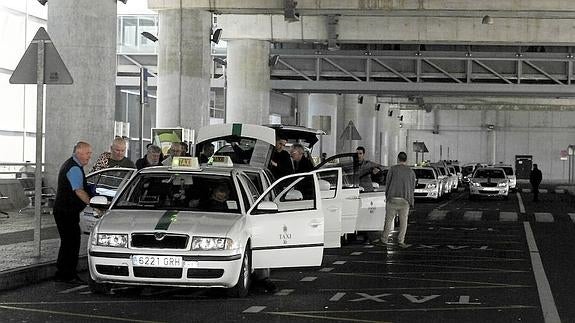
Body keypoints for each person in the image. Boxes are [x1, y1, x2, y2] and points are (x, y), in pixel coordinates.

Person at [53, 141, 93, 283]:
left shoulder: (71, 164)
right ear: (79, 152)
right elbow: (79, 191)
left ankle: (62, 273)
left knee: (68, 241)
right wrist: (92, 204)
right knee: (72, 242)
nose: (90, 156)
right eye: (88, 153)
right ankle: (68, 274)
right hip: (66, 211)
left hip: (63, 210)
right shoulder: (74, 168)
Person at [375, 151, 416, 248]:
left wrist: (387, 197)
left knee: (388, 220)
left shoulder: (392, 169)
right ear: (406, 160)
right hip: (405, 200)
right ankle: (401, 241)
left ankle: (384, 239)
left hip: (392, 199)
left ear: (398, 159)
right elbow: (412, 187)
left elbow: (387, 183)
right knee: (403, 222)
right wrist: (411, 201)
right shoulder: (411, 172)